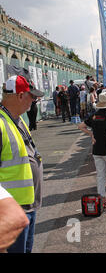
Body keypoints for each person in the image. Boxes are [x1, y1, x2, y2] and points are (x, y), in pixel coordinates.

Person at [0, 75, 45, 253]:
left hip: (27, 205)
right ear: (20, 95)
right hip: (11, 210)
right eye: (31, 96)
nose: (34, 101)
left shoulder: (17, 120)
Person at [78, 92, 106, 209]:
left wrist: (91, 133)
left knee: (100, 175)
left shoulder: (94, 116)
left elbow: (80, 126)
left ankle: (103, 200)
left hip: (97, 151)